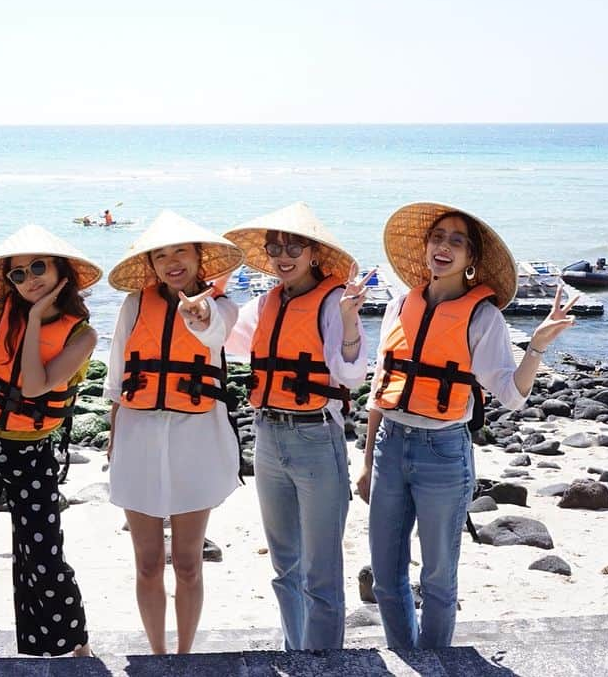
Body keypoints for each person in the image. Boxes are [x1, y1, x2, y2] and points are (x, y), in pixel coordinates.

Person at [361, 202, 577, 650]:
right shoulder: (401, 303)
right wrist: (366, 462)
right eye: (438, 238)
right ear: (426, 248)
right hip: (389, 444)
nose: (444, 247)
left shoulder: (483, 318)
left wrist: (535, 347)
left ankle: (436, 660)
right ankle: (408, 657)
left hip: (442, 451)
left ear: (471, 260)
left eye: (457, 242)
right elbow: (381, 388)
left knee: (438, 575)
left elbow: (513, 396)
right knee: (385, 574)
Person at [0, 225, 100, 658]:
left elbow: (33, 387)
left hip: (32, 453)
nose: (30, 280)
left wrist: (32, 320)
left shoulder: (82, 335)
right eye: (18, 275)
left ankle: (73, 644)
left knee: (43, 555)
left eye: (38, 268)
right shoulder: (2, 312)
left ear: (60, 270)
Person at [225, 201, 369, 652]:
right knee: (285, 565)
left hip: (315, 437)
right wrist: (210, 297)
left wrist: (349, 320)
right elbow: (223, 335)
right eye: (275, 248)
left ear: (313, 254)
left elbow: (351, 376)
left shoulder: (333, 302)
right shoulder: (265, 302)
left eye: (293, 247)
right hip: (267, 434)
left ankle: (323, 661)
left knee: (320, 570)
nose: (282, 256)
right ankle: (296, 651)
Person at [105, 211, 244, 654]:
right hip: (138, 436)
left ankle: (184, 655)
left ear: (199, 256)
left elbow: (212, 333)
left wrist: (199, 314)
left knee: (187, 563)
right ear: (153, 265)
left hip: (196, 439)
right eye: (161, 255)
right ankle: (157, 655)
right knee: (147, 564)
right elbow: (115, 379)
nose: (171, 262)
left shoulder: (220, 305)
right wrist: (112, 440)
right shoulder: (134, 304)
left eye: (180, 251)